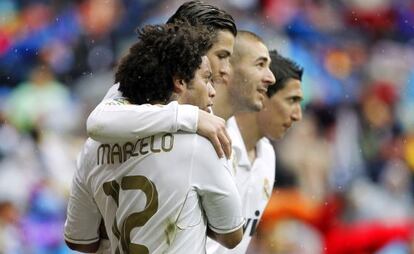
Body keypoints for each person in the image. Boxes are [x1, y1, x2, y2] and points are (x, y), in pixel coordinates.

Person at [64, 23, 244, 253]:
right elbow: (231, 236)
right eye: (206, 78)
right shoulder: (199, 144)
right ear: (179, 82)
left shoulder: (94, 147)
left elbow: (80, 241)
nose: (212, 91)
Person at [87, 0, 239, 159]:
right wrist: (191, 117)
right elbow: (98, 122)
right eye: (221, 56)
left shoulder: (210, 104)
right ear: (192, 47)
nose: (225, 69)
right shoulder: (140, 81)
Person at [211, 50, 304, 253]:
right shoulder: (215, 141)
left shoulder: (268, 157)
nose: (298, 115)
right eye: (291, 100)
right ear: (263, 94)